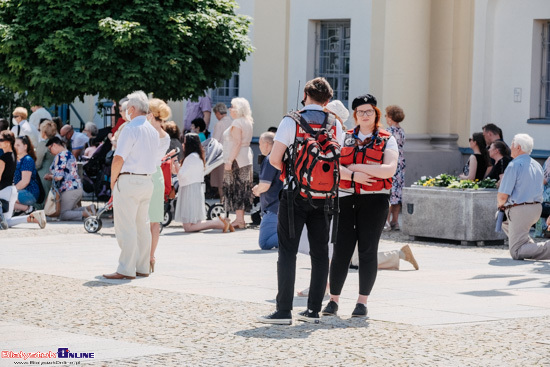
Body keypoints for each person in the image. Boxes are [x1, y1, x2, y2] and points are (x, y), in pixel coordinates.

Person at [257, 77, 343, 325]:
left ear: (305, 96)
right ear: (328, 100)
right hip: (325, 196)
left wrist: (290, 173)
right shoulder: (334, 124)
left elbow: (275, 158)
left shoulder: (291, 121)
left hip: (294, 194)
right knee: (319, 253)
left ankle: (284, 310)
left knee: (288, 251)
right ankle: (313, 310)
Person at [321, 93, 398, 319]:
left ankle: (362, 302)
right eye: (361, 112)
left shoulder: (387, 138)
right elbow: (334, 167)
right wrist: (355, 176)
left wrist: (354, 166)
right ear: (355, 115)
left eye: (369, 111)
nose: (365, 115)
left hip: (375, 199)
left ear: (376, 113)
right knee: (341, 250)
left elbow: (389, 169)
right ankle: (334, 299)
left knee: (367, 250)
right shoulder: (344, 137)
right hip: (346, 196)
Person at [103, 90, 170, 280]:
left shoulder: (130, 128)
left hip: (129, 179)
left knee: (126, 226)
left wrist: (113, 180)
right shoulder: (151, 130)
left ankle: (126, 268)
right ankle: (142, 266)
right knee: (142, 225)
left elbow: (119, 158)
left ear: (132, 109)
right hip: (146, 180)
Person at [497, 133, 550, 261]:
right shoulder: (537, 164)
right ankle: (526, 244)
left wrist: (500, 205)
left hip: (519, 210)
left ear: (518, 147)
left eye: (512, 144)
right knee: (503, 219)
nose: (510, 147)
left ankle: (545, 248)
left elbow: (503, 195)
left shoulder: (514, 165)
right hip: (536, 209)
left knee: (516, 252)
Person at [174, 133, 233, 233]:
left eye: (184, 143)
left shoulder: (191, 158)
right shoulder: (197, 157)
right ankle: (221, 222)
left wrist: (175, 163)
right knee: (194, 224)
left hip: (189, 190)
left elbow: (181, 175)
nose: (182, 145)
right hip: (195, 189)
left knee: (188, 227)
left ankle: (219, 223)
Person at [147, 98, 172, 273]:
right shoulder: (166, 136)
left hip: (145, 174)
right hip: (158, 176)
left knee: (140, 219)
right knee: (155, 221)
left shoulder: (146, 132)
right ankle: (151, 256)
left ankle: (140, 256)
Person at [44, 137, 95, 221]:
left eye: (50, 149)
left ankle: (84, 213)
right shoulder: (69, 154)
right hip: (76, 187)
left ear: (54, 145)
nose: (50, 153)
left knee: (62, 214)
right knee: (69, 211)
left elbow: (59, 177)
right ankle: (88, 208)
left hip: (68, 189)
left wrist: (49, 176)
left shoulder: (60, 156)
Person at [222, 97, 254, 229]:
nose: (230, 109)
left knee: (236, 188)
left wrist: (229, 160)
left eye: (232, 107)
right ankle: (240, 219)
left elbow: (237, 143)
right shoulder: (247, 121)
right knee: (243, 188)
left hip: (236, 158)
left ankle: (239, 219)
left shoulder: (237, 123)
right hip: (246, 157)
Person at [252, 132, 282, 250]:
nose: (259, 147)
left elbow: (265, 185)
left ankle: (297, 239)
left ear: (266, 144)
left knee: (265, 242)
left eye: (260, 144)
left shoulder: (270, 159)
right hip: (280, 207)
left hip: (272, 209)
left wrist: (257, 190)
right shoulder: (281, 157)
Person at [384, 105, 406, 231]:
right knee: (398, 193)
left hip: (392, 162)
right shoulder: (402, 131)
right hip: (401, 163)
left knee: (389, 191)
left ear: (390, 117)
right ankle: (395, 221)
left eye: (387, 115)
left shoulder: (389, 131)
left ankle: (386, 221)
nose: (386, 118)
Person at [13, 136, 41, 214]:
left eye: (18, 145)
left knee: (5, 198)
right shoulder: (17, 160)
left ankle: (28, 209)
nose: (15, 147)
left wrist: (11, 191)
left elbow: (25, 181)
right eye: (14, 145)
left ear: (25, 146)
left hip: (29, 192)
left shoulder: (27, 160)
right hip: (21, 191)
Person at [211, 103, 233, 200]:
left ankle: (223, 202)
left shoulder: (219, 124)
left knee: (221, 182)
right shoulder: (233, 122)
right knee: (230, 181)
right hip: (234, 155)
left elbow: (215, 141)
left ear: (218, 113)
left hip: (222, 156)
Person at [35, 120, 58, 208]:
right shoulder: (58, 143)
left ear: (44, 132)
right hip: (55, 175)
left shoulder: (43, 144)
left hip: (43, 176)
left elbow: (38, 164)